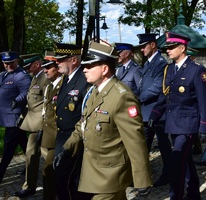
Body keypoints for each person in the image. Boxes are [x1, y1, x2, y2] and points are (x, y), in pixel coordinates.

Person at [53, 41, 152, 200]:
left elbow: (135, 140)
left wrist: (142, 179)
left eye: (90, 66)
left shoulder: (122, 96)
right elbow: (82, 125)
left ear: (104, 69)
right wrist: (67, 148)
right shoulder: (95, 92)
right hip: (95, 172)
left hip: (110, 174)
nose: (84, 69)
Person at [149, 32, 206, 200]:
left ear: (182, 48)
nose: (167, 50)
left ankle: (175, 195)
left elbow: (204, 100)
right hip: (172, 123)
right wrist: (154, 114)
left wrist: (205, 126)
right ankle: (193, 194)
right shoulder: (169, 69)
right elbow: (164, 95)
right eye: (167, 48)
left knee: (177, 162)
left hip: (187, 125)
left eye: (171, 47)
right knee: (186, 161)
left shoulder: (197, 70)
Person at [0, 51, 30, 182]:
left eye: (11, 63)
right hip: (6, 116)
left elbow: (26, 92)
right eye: (6, 63)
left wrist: (17, 100)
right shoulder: (2, 75)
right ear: (2, 63)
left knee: (9, 144)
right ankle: (31, 165)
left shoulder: (22, 76)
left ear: (17, 61)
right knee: (23, 142)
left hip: (15, 116)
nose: (9, 65)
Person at [53, 43, 90, 200]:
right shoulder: (66, 79)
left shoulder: (83, 81)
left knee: (72, 181)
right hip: (63, 136)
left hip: (76, 139)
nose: (57, 63)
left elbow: (86, 113)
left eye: (61, 59)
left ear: (73, 60)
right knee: (60, 179)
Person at [137, 33, 172, 187]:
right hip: (145, 113)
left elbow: (157, 87)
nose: (142, 49)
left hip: (158, 112)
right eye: (141, 46)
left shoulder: (160, 63)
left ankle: (168, 174)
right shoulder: (148, 63)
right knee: (142, 145)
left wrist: (137, 98)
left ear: (152, 45)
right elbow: (143, 85)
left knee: (164, 146)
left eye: (144, 46)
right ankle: (142, 176)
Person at [13, 53, 49, 198]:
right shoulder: (36, 77)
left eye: (29, 66)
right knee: (32, 154)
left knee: (46, 155)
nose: (27, 69)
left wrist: (44, 125)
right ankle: (29, 186)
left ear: (36, 64)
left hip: (42, 124)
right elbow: (32, 102)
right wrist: (22, 117)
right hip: (33, 122)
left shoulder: (45, 78)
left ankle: (58, 183)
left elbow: (48, 103)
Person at [40, 54, 64, 200]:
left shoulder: (63, 85)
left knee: (48, 171)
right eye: (44, 68)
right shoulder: (49, 86)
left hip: (58, 136)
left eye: (49, 67)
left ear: (57, 69)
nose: (45, 71)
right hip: (48, 135)